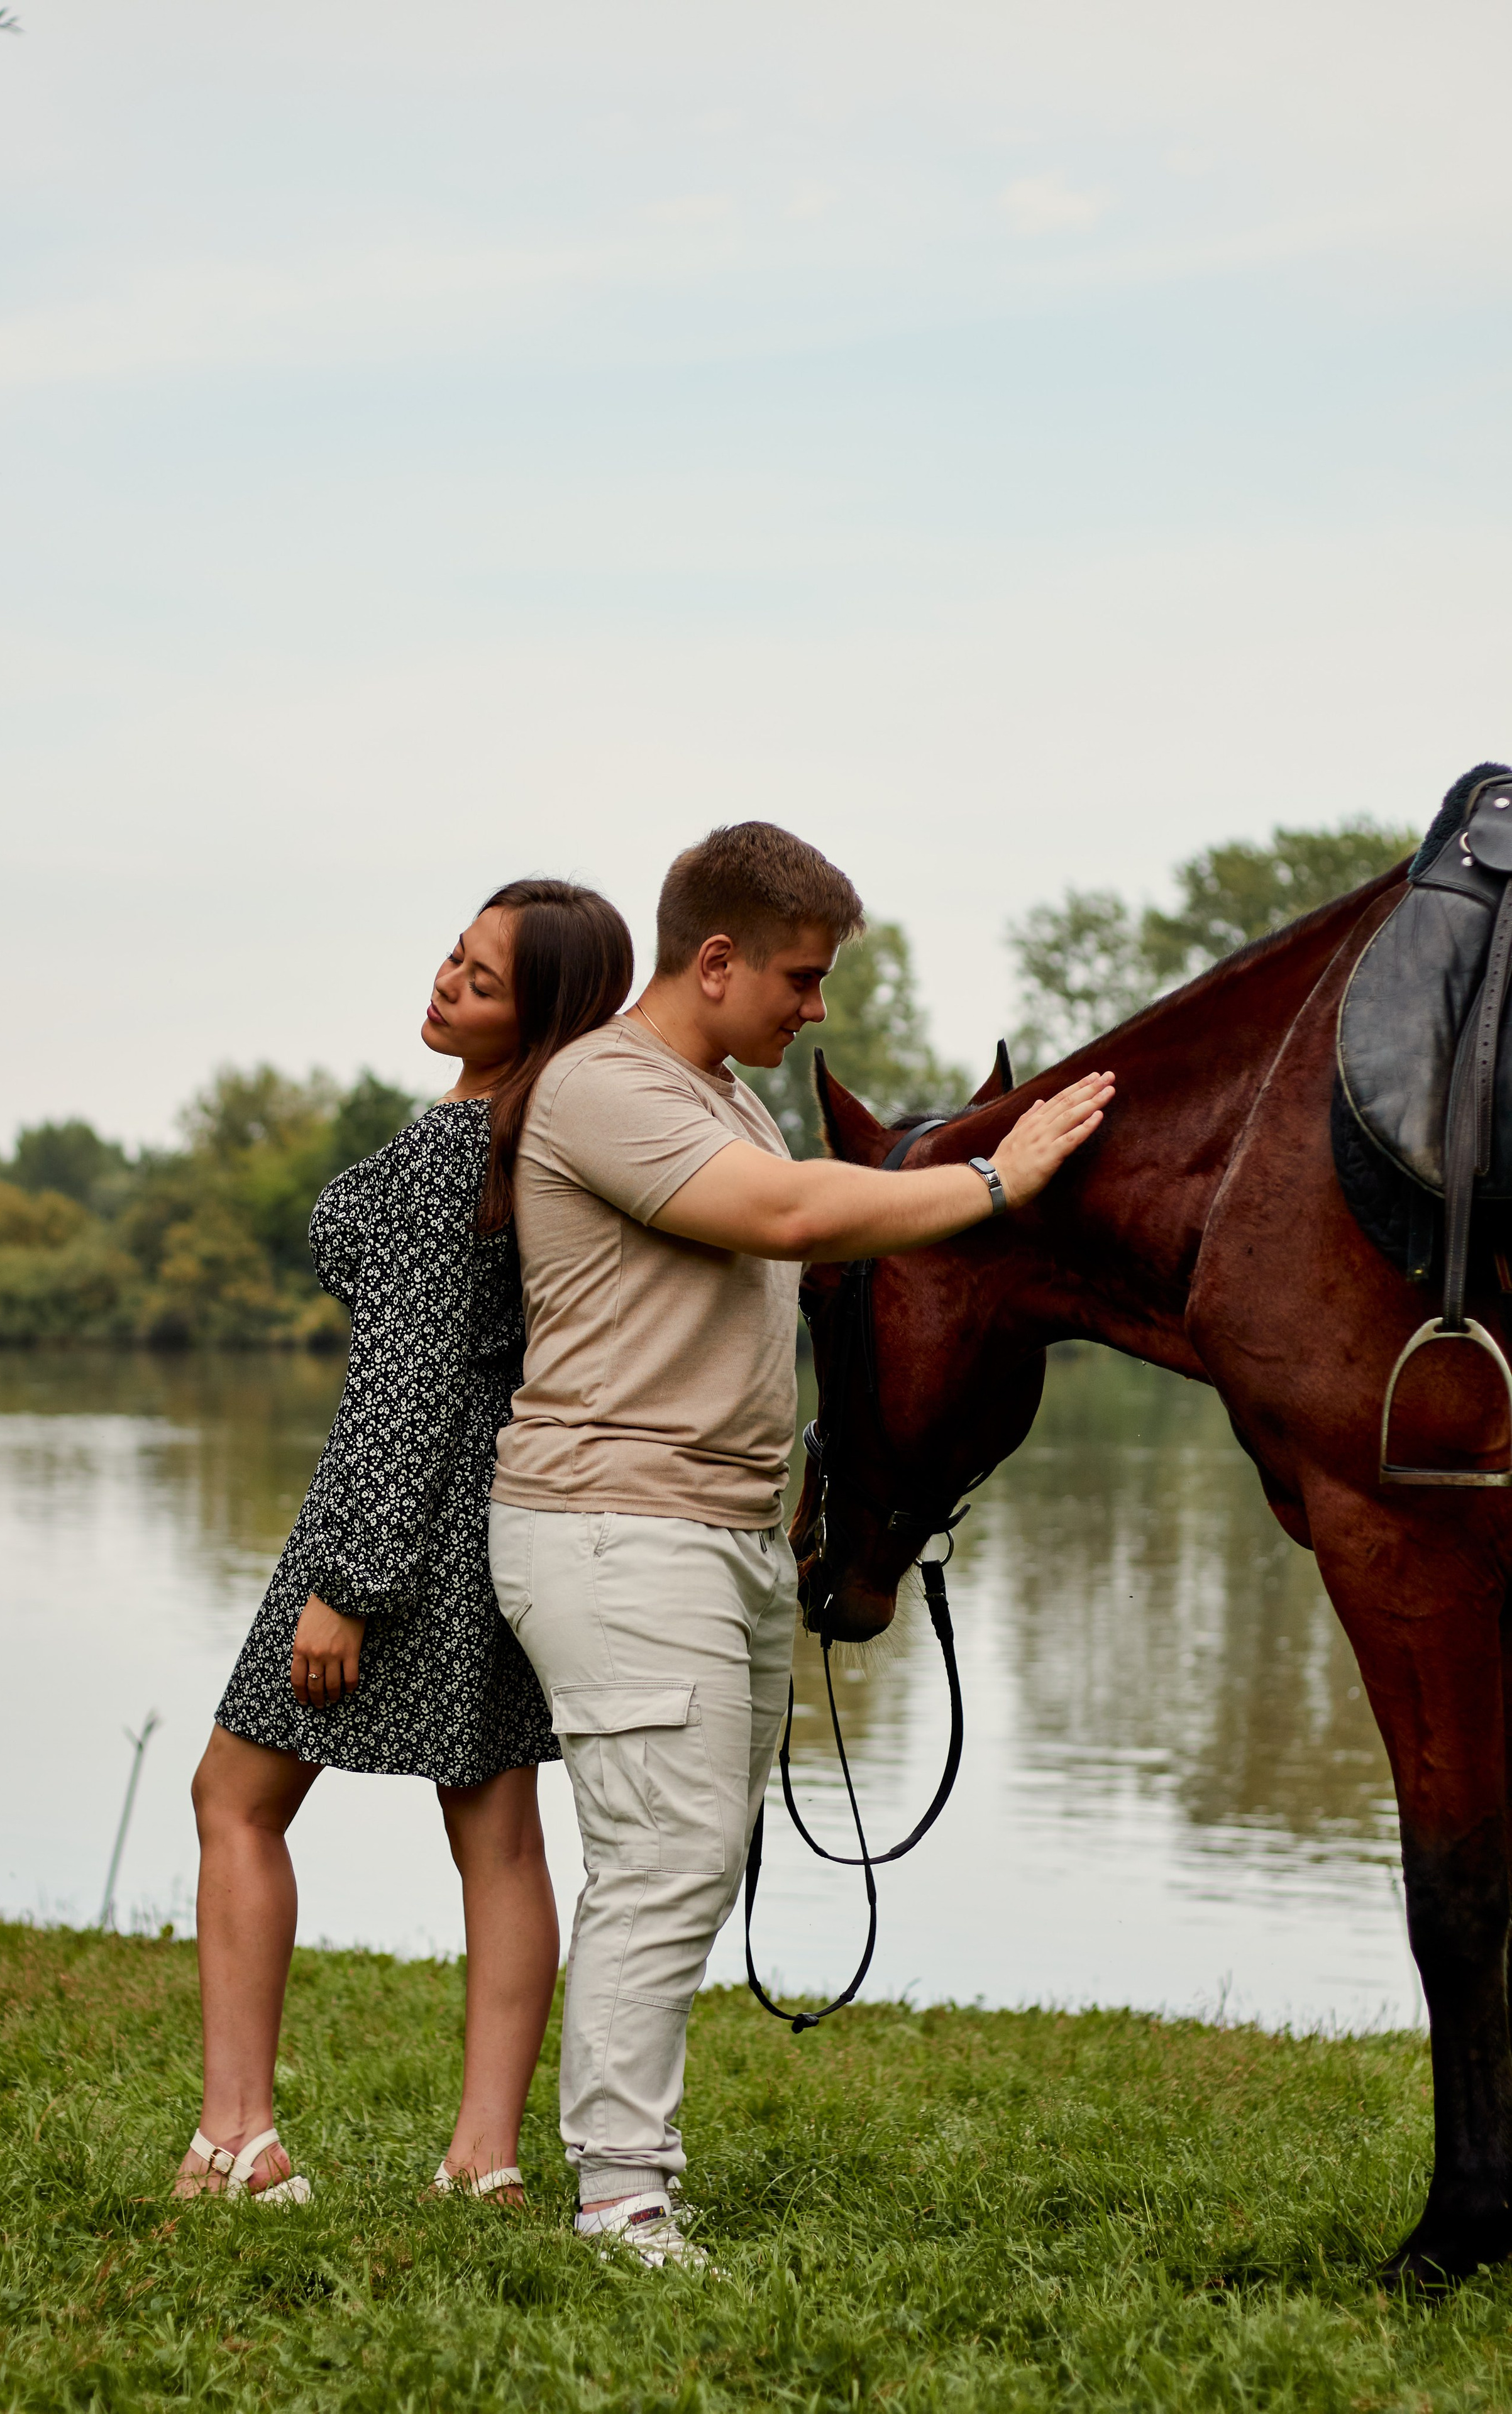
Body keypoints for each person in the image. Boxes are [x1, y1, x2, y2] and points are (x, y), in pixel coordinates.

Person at [488, 822, 1114, 2266]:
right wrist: (994, 1182)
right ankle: (619, 2202)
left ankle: (630, 2172)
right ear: (714, 961)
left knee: (690, 1858)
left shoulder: (728, 1098)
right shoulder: (602, 1088)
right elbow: (781, 1219)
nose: (814, 1008)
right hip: (612, 1528)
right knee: (663, 1860)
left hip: (714, 1536)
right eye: (801, 976)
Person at [176, 877, 634, 2206]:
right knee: (497, 1829)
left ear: (537, 1015)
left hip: (396, 1514)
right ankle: (482, 2161)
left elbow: (404, 1375)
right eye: (454, 956)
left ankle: (239, 2140)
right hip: (500, 1504)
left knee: (233, 1800)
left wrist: (351, 1587)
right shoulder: (523, 1141)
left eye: (482, 981)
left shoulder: (454, 1156)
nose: (446, 983)